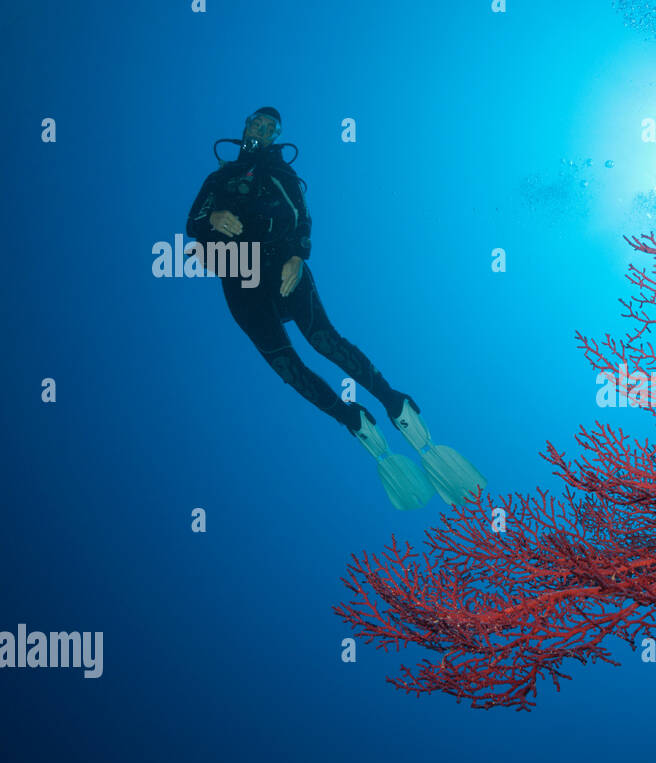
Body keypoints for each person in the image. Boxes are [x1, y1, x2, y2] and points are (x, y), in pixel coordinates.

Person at [186, 107, 484, 509]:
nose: (263, 129)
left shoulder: (282, 173)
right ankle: (350, 419)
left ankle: (391, 400)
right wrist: (215, 217)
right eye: (258, 122)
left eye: (271, 127)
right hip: (239, 281)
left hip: (281, 265)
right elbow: (194, 222)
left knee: (324, 340)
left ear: (276, 136)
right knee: (286, 366)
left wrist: (297, 256)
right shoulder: (218, 179)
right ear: (245, 125)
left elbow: (301, 216)